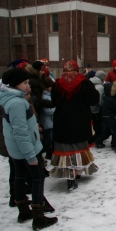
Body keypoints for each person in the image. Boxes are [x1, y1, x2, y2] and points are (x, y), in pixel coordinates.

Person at [0, 69, 58, 230]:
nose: (28, 86)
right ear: (14, 84)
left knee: (19, 176)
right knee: (38, 178)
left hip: (16, 150)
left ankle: (23, 211)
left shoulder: (9, 99)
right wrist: (30, 155)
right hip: (26, 149)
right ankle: (38, 218)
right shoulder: (17, 103)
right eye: (25, 83)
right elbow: (20, 132)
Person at [50, 60, 99, 191]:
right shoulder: (84, 82)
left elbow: (53, 102)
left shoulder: (58, 84)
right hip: (80, 121)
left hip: (62, 121)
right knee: (78, 148)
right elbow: (94, 99)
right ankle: (76, 172)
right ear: (77, 70)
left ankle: (69, 176)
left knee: (65, 150)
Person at [96, 81, 116, 154]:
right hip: (109, 117)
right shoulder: (109, 99)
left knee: (108, 131)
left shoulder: (112, 97)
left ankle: (98, 141)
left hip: (109, 117)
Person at [40, 77, 56, 160]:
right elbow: (48, 111)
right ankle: (48, 153)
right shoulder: (45, 97)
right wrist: (57, 108)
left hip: (51, 121)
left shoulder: (50, 95)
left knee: (51, 137)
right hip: (47, 122)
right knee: (48, 139)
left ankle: (51, 152)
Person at [89, 71, 106, 147]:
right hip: (96, 109)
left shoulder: (90, 84)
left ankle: (92, 139)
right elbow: (100, 100)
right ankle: (98, 140)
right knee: (99, 126)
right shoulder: (100, 87)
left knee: (92, 125)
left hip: (89, 108)